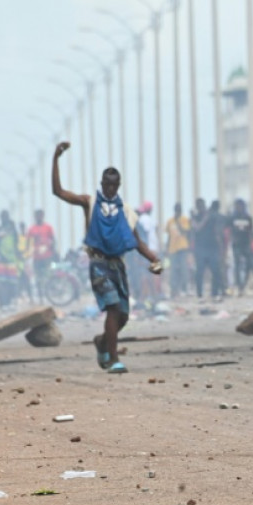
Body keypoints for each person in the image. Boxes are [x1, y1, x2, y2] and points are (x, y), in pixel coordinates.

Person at [52, 141, 162, 374]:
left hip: (117, 265)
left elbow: (138, 242)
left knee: (122, 316)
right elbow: (59, 192)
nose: (111, 188)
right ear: (102, 184)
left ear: (118, 185)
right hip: (99, 264)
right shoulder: (89, 203)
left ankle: (103, 342)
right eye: (107, 184)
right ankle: (113, 359)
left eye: (114, 185)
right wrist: (55, 159)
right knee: (112, 309)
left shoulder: (126, 211)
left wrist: (154, 259)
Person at [229, 198, 253, 296]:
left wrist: (250, 244)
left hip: (246, 245)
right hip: (236, 245)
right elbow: (230, 231)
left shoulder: (248, 218)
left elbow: (250, 232)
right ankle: (239, 287)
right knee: (237, 266)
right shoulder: (232, 217)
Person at [191, 198, 224, 301]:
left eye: (201, 205)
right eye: (198, 205)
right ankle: (199, 294)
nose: (200, 207)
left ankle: (215, 293)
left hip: (212, 247)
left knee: (215, 271)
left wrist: (220, 246)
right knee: (199, 272)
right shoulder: (196, 217)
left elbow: (217, 231)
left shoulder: (212, 217)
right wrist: (204, 218)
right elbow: (196, 228)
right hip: (200, 248)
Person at [0, 210, 21, 310]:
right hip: (0, 260)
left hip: (11, 260)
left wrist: (18, 255)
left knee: (11, 283)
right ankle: (3, 303)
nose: (5, 218)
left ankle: (10, 302)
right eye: (3, 216)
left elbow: (16, 243)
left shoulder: (12, 230)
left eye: (6, 216)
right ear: (0, 218)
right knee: (2, 284)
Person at [27, 209, 56, 303]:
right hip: (36, 257)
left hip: (47, 257)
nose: (39, 217)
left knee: (47, 276)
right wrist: (30, 250)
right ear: (35, 217)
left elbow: (53, 240)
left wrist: (52, 250)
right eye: (37, 215)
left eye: (40, 215)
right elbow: (28, 242)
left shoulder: (48, 227)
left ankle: (48, 295)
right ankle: (40, 298)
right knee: (38, 278)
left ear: (43, 216)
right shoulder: (32, 229)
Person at [165, 202, 191, 298]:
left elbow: (186, 231)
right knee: (173, 271)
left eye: (179, 210)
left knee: (184, 269)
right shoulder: (170, 221)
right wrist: (166, 248)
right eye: (176, 210)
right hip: (172, 248)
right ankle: (174, 289)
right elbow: (168, 235)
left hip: (183, 247)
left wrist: (178, 222)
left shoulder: (184, 220)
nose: (177, 211)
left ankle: (184, 288)